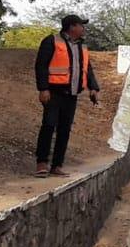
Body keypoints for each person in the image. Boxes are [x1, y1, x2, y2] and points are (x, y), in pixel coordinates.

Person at [33, 14, 99, 177]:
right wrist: (43, 88)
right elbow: (41, 65)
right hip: (54, 93)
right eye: (81, 25)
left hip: (72, 94)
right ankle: (41, 163)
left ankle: (57, 165)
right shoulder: (52, 41)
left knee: (64, 130)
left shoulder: (82, 47)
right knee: (48, 125)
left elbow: (87, 69)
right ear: (71, 27)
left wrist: (93, 87)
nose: (83, 29)